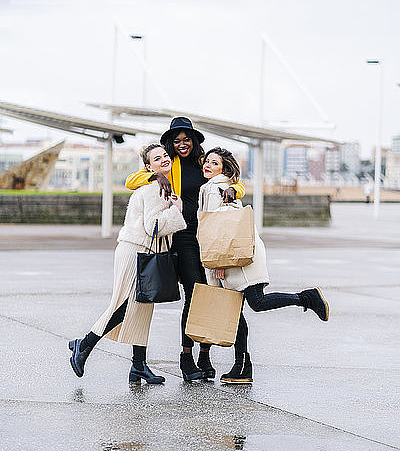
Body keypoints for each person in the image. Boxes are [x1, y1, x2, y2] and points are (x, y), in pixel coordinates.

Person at [125, 116, 246, 381]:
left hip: (201, 237)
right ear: (170, 143)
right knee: (173, 295)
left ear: (194, 141)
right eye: (177, 141)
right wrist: (155, 175)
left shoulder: (201, 162)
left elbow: (230, 180)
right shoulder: (168, 165)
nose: (182, 144)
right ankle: (169, 359)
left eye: (187, 139)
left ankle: (200, 356)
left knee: (203, 295)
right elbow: (131, 181)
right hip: (175, 238)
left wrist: (234, 190)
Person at [198, 147, 330, 384]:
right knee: (235, 313)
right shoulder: (212, 187)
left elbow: (222, 226)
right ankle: (242, 367)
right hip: (235, 256)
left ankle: (306, 298)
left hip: (237, 258)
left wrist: (219, 260)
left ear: (224, 169)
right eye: (207, 161)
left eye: (214, 163)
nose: (208, 165)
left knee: (256, 303)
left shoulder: (218, 188)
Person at [68, 144, 186, 385]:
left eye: (165, 156)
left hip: (142, 250)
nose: (164, 159)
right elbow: (153, 226)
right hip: (136, 250)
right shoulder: (155, 187)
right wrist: (177, 209)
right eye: (157, 158)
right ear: (148, 166)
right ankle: (85, 345)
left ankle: (138, 365)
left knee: (143, 307)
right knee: (123, 304)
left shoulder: (161, 185)